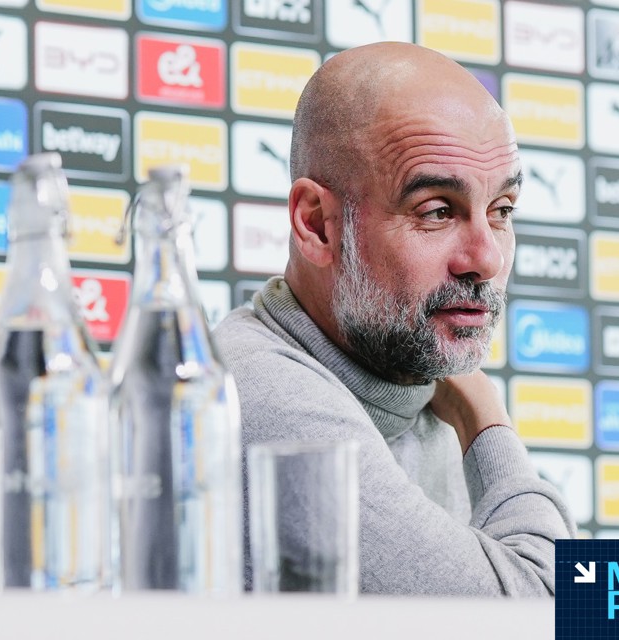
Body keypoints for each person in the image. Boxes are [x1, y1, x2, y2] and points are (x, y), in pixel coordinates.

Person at [212, 41, 575, 596]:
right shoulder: (255, 392)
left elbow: (598, 599)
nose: (486, 258)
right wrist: (487, 422)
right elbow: (542, 611)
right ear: (317, 225)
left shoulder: (407, 371)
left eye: (501, 211)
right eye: (436, 211)